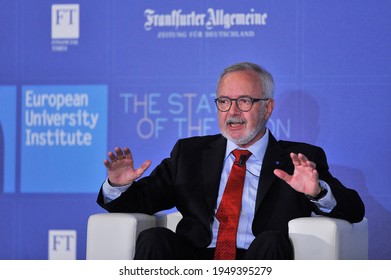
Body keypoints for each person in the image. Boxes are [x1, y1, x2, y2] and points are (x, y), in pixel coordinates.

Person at [97, 62, 365, 260]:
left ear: (268, 108)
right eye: (224, 101)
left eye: (244, 101)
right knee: (154, 239)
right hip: (196, 258)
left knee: (272, 242)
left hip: (258, 258)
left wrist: (317, 192)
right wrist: (118, 186)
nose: (232, 112)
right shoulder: (189, 154)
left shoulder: (298, 159)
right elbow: (143, 202)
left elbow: (354, 210)